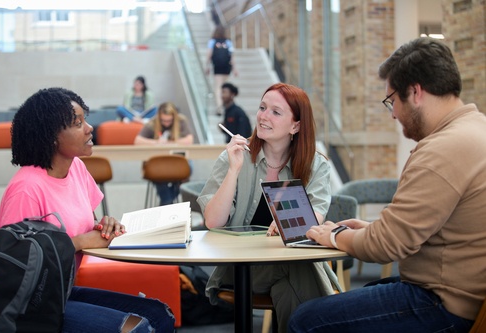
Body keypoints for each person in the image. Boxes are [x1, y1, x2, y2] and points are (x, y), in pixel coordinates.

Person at [288, 37, 486, 333]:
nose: (392, 113)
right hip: (464, 292)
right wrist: (370, 228)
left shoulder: (443, 149)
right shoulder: (476, 129)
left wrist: (335, 235)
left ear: (415, 92)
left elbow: (386, 246)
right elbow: (426, 228)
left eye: (392, 101)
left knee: (305, 321)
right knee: (370, 289)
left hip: (444, 304)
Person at [0, 87, 175, 333]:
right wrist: (81, 241)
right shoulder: (26, 188)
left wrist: (104, 225)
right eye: (78, 123)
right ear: (52, 136)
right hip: (34, 304)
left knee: (160, 315)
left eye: (85, 119)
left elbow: (86, 224)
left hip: (63, 290)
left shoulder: (78, 168)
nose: (89, 128)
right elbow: (14, 265)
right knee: (139, 329)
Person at [197, 83, 335, 332]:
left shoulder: (316, 165)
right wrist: (234, 170)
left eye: (275, 111)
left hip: (286, 270)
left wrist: (290, 221)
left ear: (296, 126)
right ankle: (334, 317)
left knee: (289, 291)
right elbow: (213, 222)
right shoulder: (233, 156)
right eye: (262, 108)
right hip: (241, 268)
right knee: (296, 268)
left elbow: (315, 217)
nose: (263, 116)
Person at [135, 102, 194, 205]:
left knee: (188, 167)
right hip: (158, 164)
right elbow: (137, 141)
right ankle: (168, 202)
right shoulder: (152, 123)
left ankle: (166, 202)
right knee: (158, 172)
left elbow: (189, 140)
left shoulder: (181, 121)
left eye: (169, 121)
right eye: (163, 121)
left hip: (176, 162)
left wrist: (169, 143)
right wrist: (156, 143)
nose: (166, 123)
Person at [205, 25, 238, 115]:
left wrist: (207, 66)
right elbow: (232, 56)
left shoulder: (212, 41)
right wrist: (234, 69)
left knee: (218, 87)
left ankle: (219, 107)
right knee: (224, 87)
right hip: (227, 67)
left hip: (217, 66)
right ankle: (226, 105)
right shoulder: (228, 42)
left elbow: (209, 54)